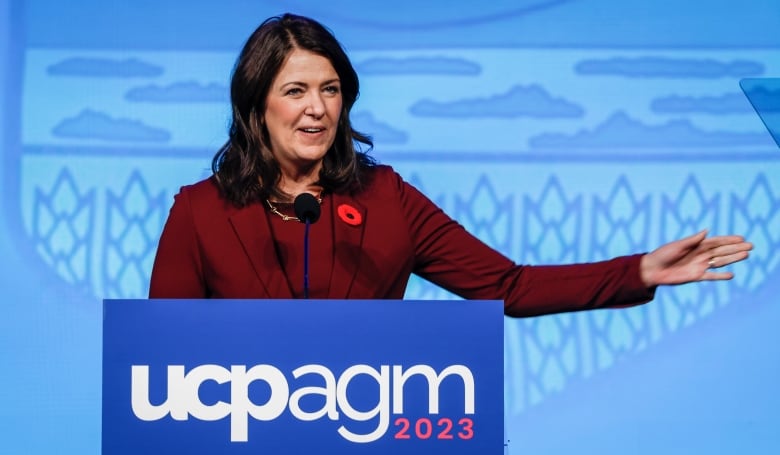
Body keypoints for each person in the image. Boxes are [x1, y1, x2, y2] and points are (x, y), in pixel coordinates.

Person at [148, 13, 752, 317]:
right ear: (258, 104)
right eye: (296, 90)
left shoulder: (386, 198)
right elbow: (162, 358)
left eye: (330, 90)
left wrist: (640, 270)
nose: (316, 109)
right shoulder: (202, 212)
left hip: (370, 452)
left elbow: (508, 287)